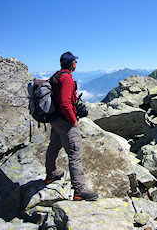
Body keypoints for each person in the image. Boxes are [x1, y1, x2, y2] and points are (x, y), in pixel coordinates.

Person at [44, 51, 98, 201]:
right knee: (75, 154)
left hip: (55, 119)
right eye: (75, 62)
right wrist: (73, 120)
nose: (76, 64)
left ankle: (50, 174)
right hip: (65, 122)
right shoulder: (67, 78)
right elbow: (65, 103)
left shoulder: (56, 76)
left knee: (54, 146)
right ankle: (79, 190)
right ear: (72, 64)